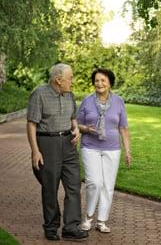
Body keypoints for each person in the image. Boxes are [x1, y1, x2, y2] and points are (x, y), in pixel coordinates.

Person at [26, 63, 88, 241]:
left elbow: (72, 118)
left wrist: (76, 129)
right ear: (58, 80)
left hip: (68, 144)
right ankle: (51, 226)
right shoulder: (39, 94)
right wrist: (35, 151)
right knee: (50, 187)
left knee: (74, 185)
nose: (73, 82)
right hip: (48, 143)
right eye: (70, 78)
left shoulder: (70, 95)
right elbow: (31, 124)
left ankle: (71, 227)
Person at [77, 68, 131, 233]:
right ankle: (88, 217)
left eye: (103, 80)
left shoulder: (119, 101)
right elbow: (76, 125)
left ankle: (101, 221)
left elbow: (123, 128)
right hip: (90, 147)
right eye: (97, 80)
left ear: (110, 83)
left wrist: (128, 151)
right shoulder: (87, 101)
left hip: (112, 149)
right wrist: (86, 128)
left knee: (108, 185)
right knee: (94, 182)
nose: (99, 83)